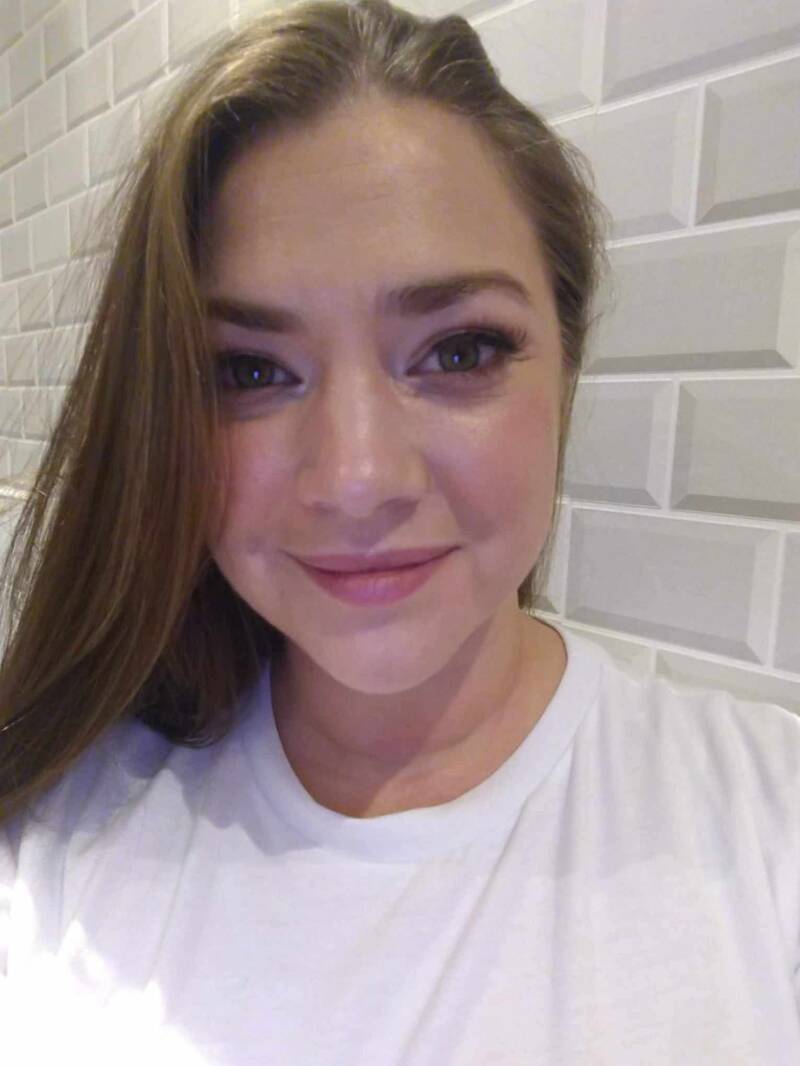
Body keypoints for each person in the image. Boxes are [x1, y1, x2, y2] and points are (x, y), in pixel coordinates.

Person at [0, 0, 798, 1061]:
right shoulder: (63, 833)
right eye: (249, 370)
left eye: (459, 351)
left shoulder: (767, 830)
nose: (357, 479)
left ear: (565, 364)